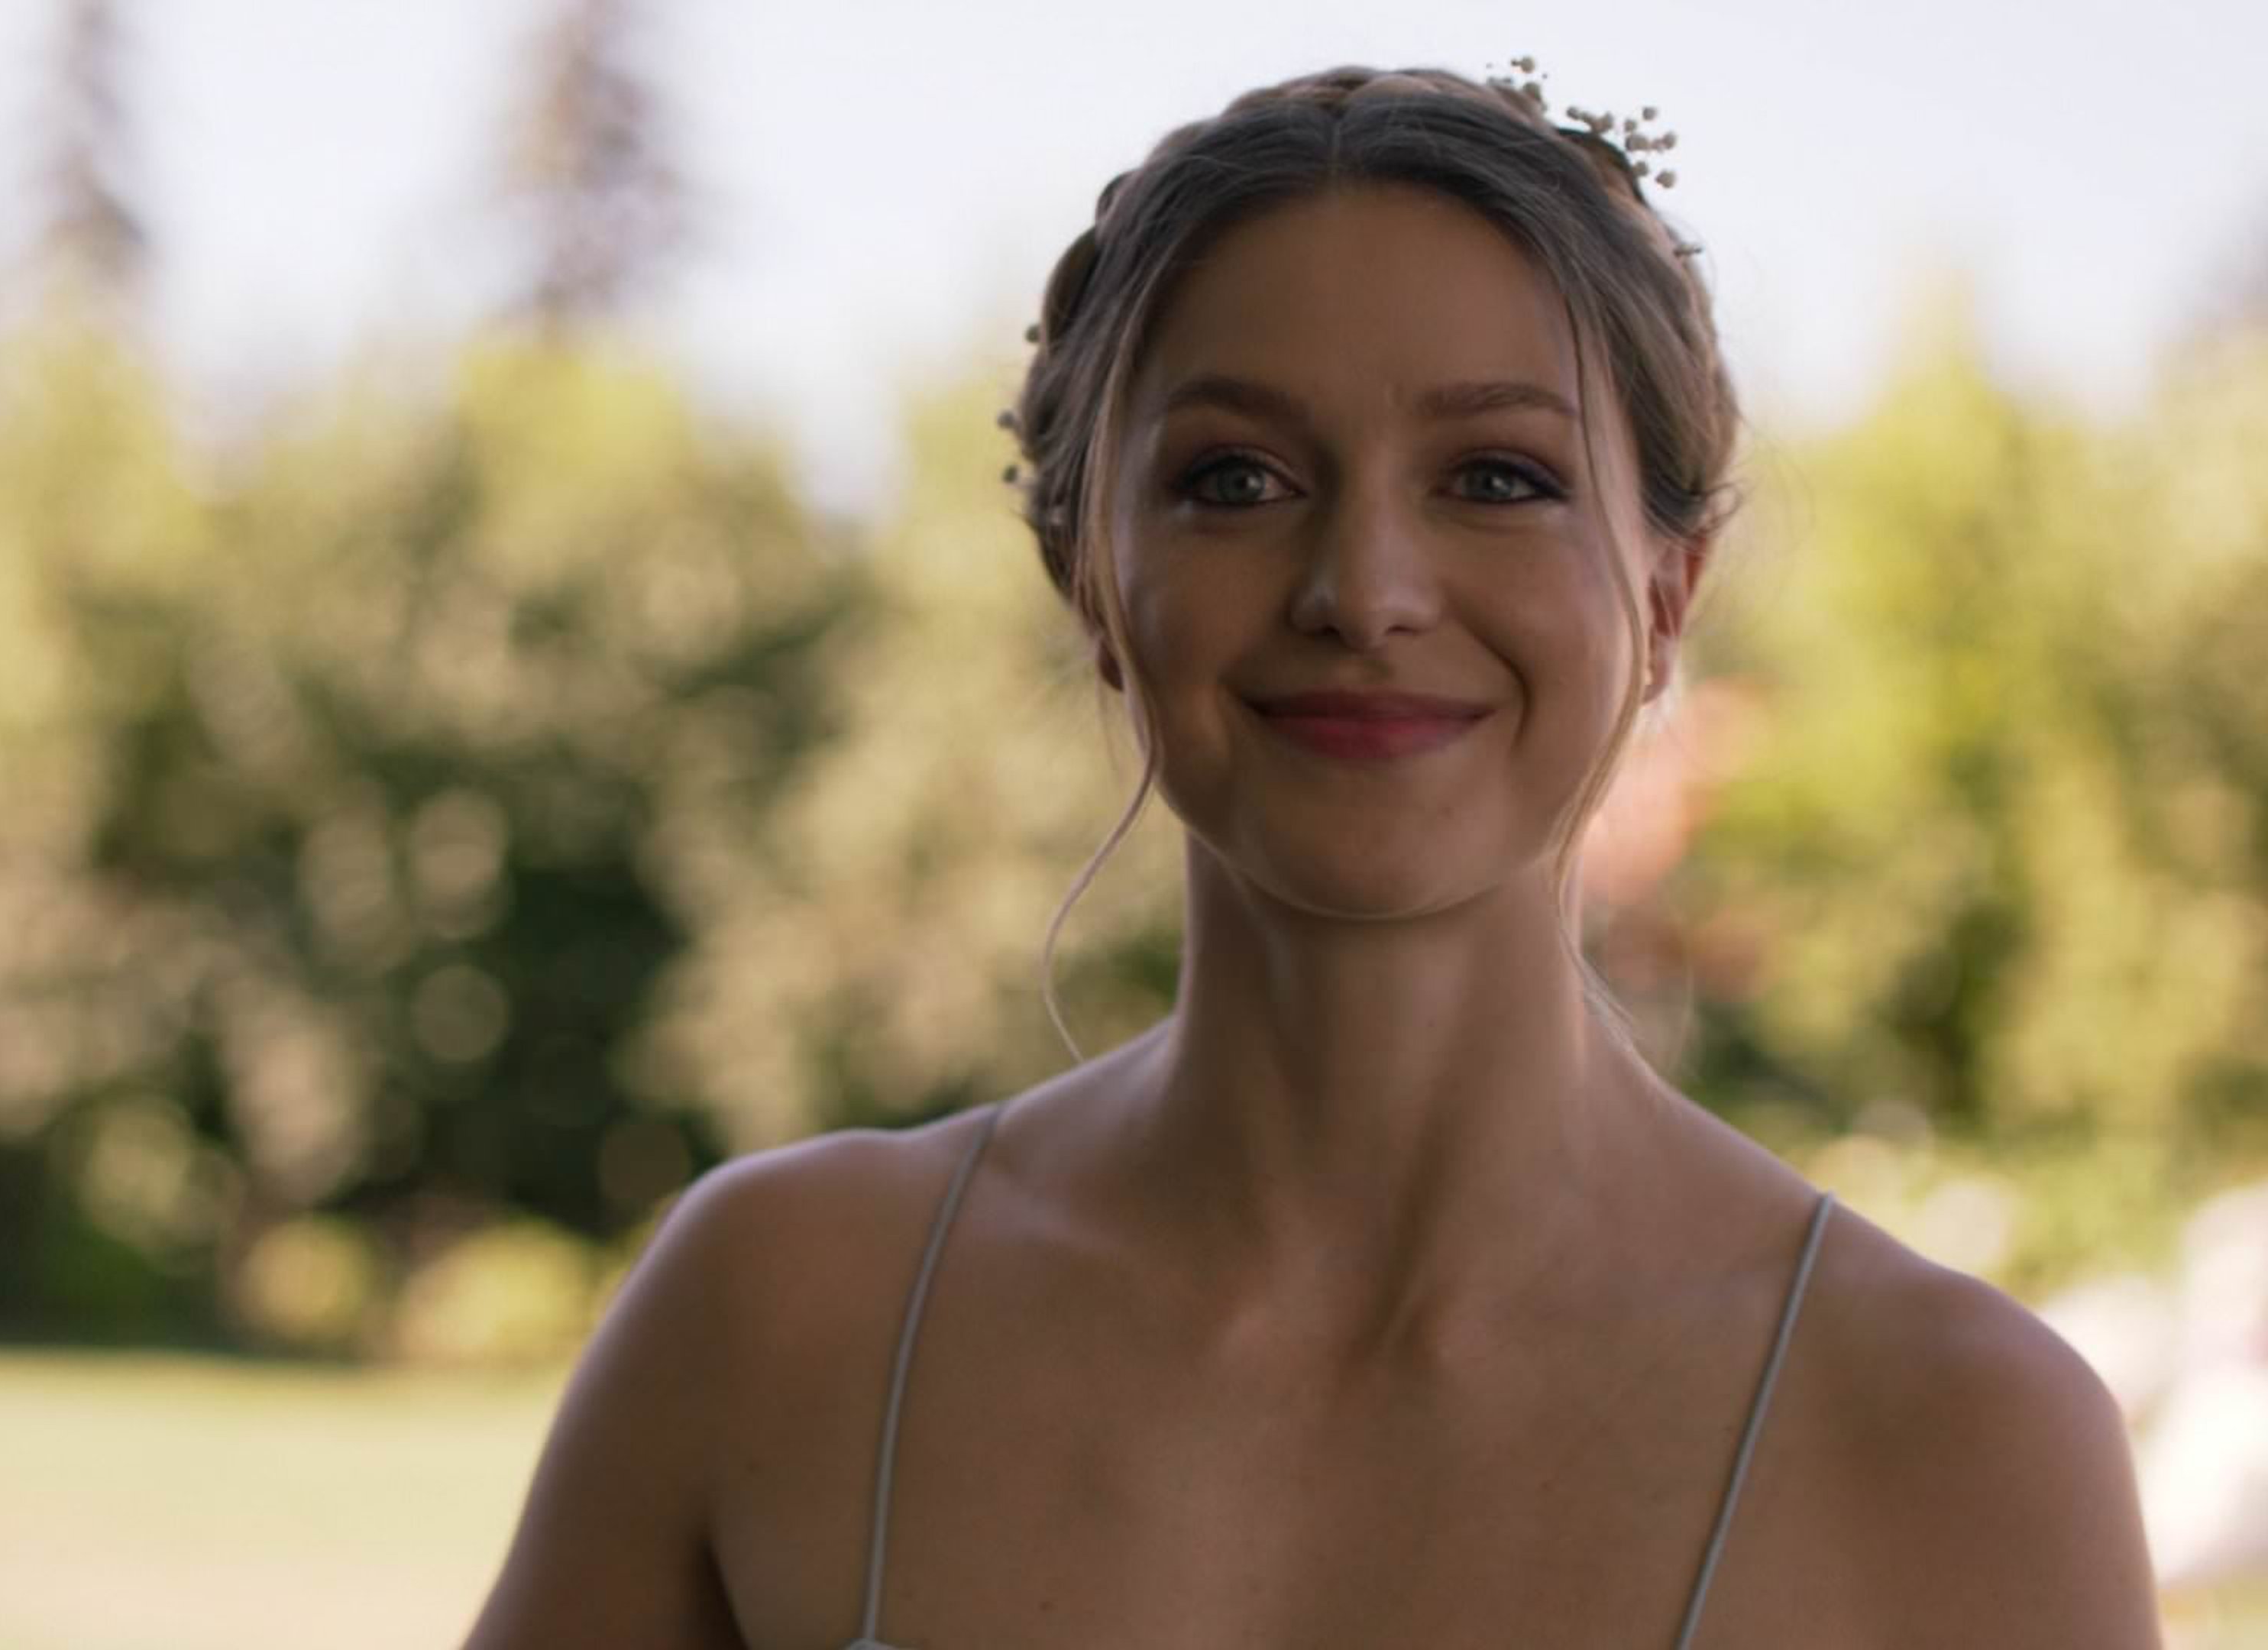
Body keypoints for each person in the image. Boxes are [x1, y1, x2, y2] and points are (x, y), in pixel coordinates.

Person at [466, 65, 2162, 1649]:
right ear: (1090, 584)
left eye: (1497, 476)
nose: (1364, 587)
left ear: (1667, 594)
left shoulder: (1958, 1440)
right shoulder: (777, 1319)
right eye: (1236, 478)